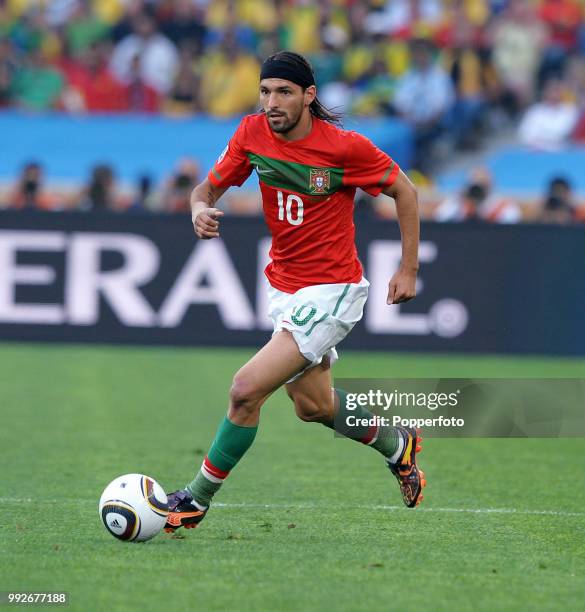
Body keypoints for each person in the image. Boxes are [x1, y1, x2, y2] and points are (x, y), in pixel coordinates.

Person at [164, 51, 425, 533]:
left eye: (283, 92)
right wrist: (198, 209)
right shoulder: (251, 134)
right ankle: (398, 445)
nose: (271, 102)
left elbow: (404, 192)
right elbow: (205, 189)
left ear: (309, 96)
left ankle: (195, 499)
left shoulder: (344, 148)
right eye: (265, 92)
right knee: (314, 406)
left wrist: (408, 269)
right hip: (284, 287)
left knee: (245, 391)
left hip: (334, 290)